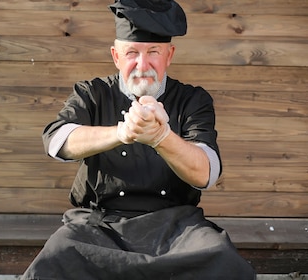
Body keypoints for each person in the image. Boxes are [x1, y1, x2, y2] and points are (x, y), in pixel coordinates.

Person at [21, 0, 257, 279]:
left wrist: (161, 137)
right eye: (131, 53)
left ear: (169, 55)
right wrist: (121, 133)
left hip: (178, 228)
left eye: (153, 52)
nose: (142, 65)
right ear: (116, 56)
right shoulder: (92, 93)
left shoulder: (193, 100)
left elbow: (207, 172)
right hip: (100, 225)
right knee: (56, 258)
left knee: (223, 260)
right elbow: (57, 142)